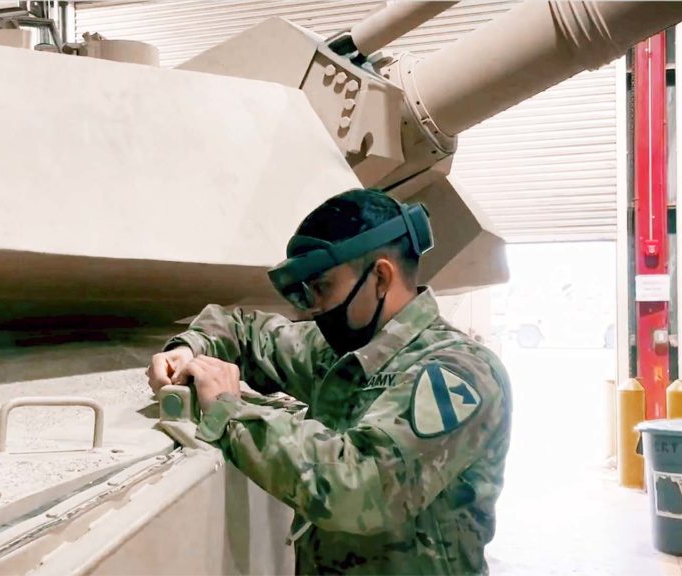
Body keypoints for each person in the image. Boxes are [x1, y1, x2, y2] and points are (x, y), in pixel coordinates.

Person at [146, 188, 512, 575]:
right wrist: (190, 347)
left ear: (381, 277)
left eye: (322, 288)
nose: (314, 307)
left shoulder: (459, 372)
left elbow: (359, 487)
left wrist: (229, 409)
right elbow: (243, 330)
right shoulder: (342, 351)